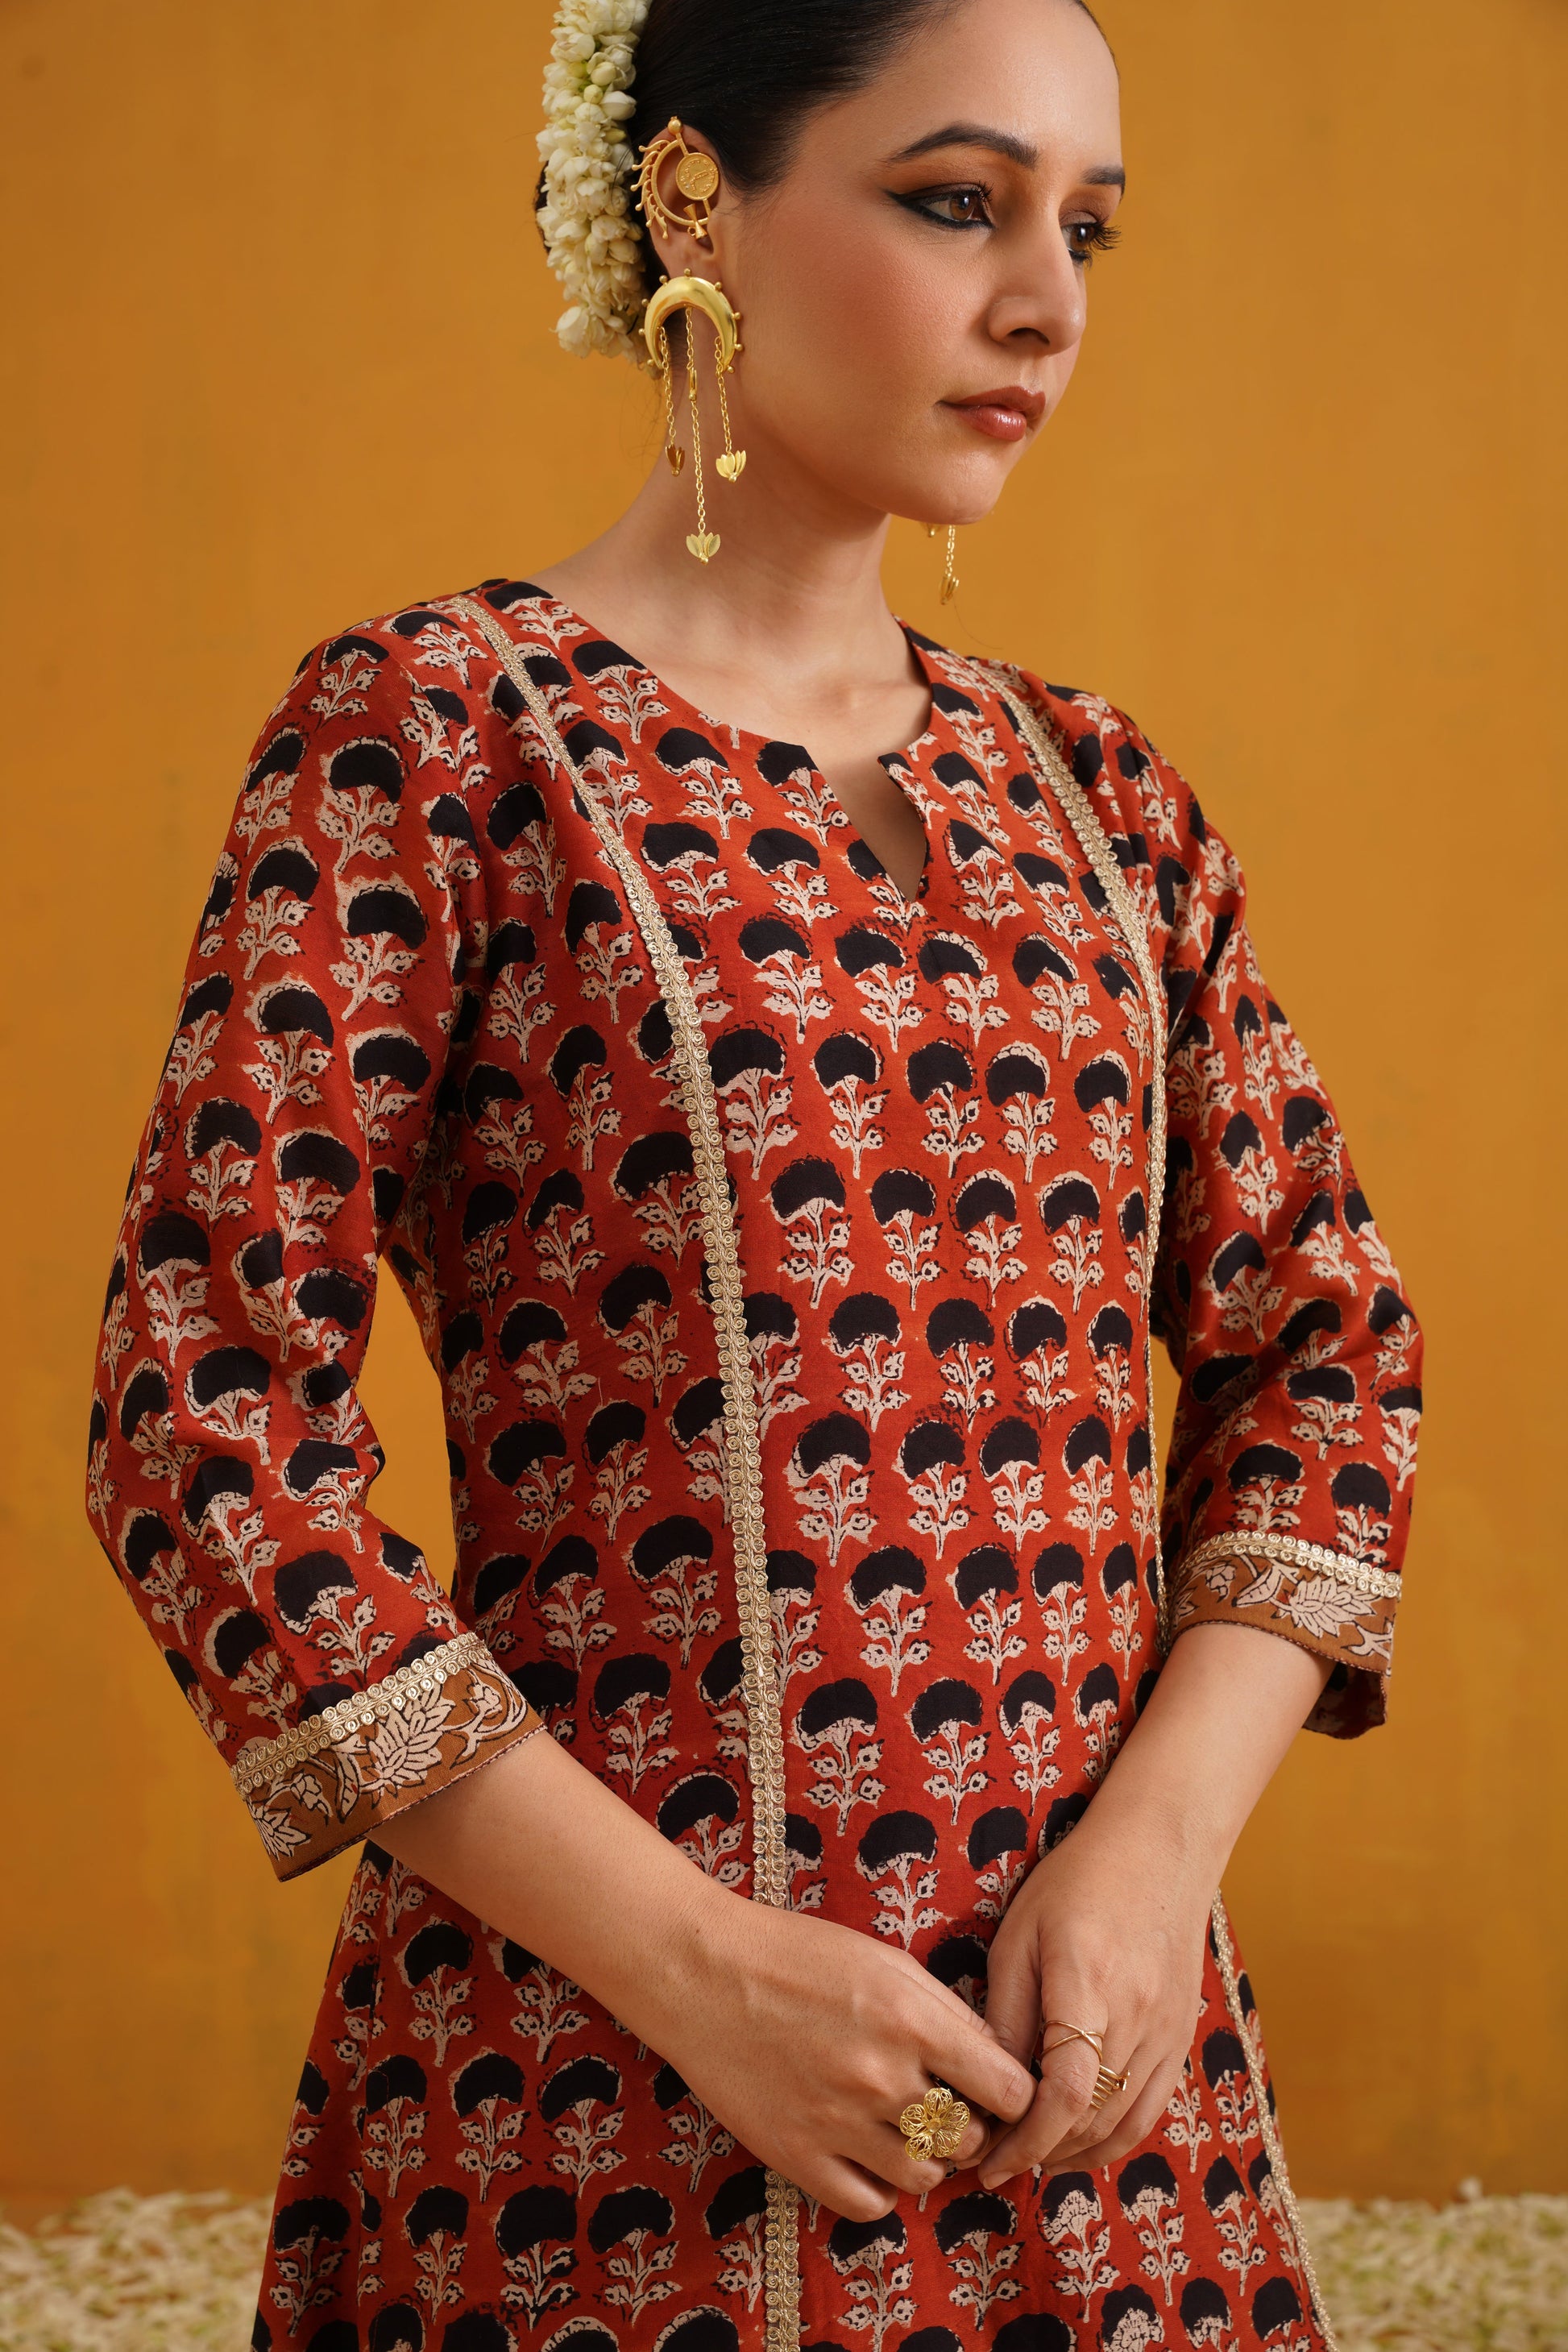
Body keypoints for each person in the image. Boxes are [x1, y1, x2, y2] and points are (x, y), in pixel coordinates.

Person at [85, 1, 1423, 2345]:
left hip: (1102, 2107)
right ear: (696, 198)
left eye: (1088, 229)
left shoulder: (1103, 798)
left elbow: (1330, 1353)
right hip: (596, 2098)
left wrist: (1152, 1860)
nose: (1046, 300)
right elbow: (201, 1426)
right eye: (958, 201)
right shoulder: (437, 738)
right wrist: (696, 1966)